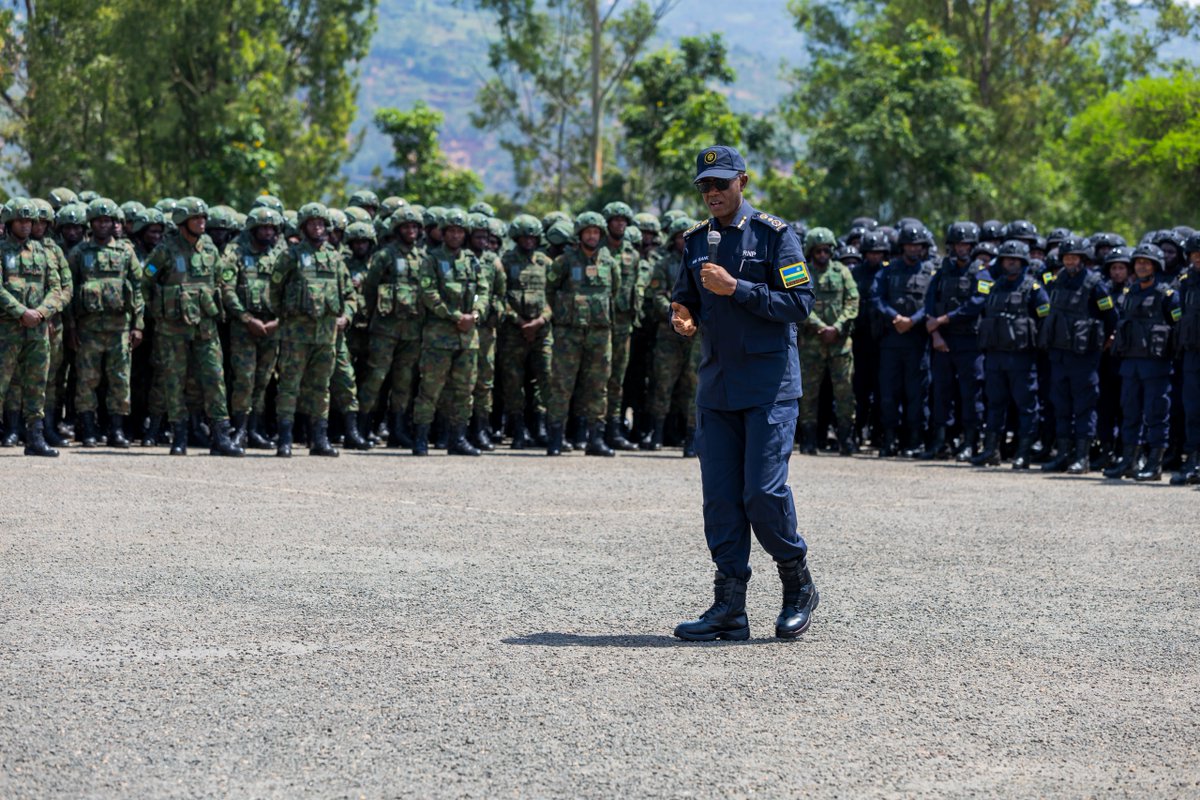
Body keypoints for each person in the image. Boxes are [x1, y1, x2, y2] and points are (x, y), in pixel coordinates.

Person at [670, 145, 818, 641]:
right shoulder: (694, 241)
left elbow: (799, 304)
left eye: (721, 183)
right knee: (721, 500)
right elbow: (684, 295)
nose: (712, 192)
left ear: (743, 182)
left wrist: (738, 289)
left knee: (761, 492)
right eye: (704, 186)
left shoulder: (776, 235)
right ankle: (729, 606)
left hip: (768, 388)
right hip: (717, 387)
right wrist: (682, 315)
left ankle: (797, 583)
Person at [142, 196, 242, 457]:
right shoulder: (166, 249)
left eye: (203, 218)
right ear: (182, 222)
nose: (202, 222)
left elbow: (221, 280)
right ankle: (179, 436)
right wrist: (159, 312)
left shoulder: (209, 247)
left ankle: (221, 436)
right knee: (174, 381)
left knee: (214, 379)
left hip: (205, 327)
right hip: (172, 329)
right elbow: (145, 282)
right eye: (196, 218)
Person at [268, 202, 357, 458]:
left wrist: (346, 317)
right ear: (304, 226)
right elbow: (274, 291)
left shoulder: (335, 258)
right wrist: (284, 316)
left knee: (321, 387)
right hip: (296, 335)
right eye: (312, 223)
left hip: (326, 335)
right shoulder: (291, 256)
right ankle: (284, 440)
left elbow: (350, 295)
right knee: (289, 386)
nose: (317, 227)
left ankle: (319, 439)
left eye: (320, 223)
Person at [68, 198, 145, 448]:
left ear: (114, 224)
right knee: (87, 380)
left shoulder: (125, 252)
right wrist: (70, 327)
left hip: (120, 328)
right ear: (91, 223)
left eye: (108, 221)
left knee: (119, 380)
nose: (103, 225)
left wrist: (138, 325)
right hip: (88, 329)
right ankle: (88, 430)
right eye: (99, 221)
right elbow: (68, 291)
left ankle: (117, 431)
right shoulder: (79, 253)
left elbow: (138, 288)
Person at [544, 211, 620, 457]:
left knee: (598, 387)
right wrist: (563, 315)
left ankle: (595, 439)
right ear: (579, 235)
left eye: (596, 232)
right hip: (569, 335)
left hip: (599, 334)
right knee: (561, 386)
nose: (592, 236)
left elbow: (614, 293)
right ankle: (555, 438)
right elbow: (550, 290)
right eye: (587, 232)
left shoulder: (610, 263)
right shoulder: (565, 262)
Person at [971, 240, 1051, 469]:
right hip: (995, 356)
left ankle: (1023, 453)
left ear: (1023, 262)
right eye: (1007, 260)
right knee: (995, 404)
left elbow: (1045, 317)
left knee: (1026, 405)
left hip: (1022, 357)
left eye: (1015, 260)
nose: (1011, 263)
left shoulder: (1033, 289)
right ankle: (991, 450)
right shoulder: (995, 287)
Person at [1105, 244, 1180, 481]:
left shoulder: (1167, 295)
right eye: (1138, 263)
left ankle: (1154, 463)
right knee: (1130, 412)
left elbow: (1177, 327)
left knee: (1156, 413)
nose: (1142, 266)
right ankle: (1129, 461)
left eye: (1147, 263)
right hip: (1130, 364)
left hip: (1156, 364)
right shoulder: (1130, 293)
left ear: (1156, 267)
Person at [923, 222, 989, 461]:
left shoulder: (981, 272)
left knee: (971, 393)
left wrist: (943, 319)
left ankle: (970, 442)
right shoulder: (942, 271)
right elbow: (929, 301)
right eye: (958, 244)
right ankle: (942, 441)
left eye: (966, 245)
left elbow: (977, 303)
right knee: (942, 392)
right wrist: (936, 333)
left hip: (969, 342)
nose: (962, 248)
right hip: (942, 343)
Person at [795, 227, 859, 456]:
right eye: (818, 250)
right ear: (810, 252)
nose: (822, 254)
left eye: (826, 250)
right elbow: (795, 301)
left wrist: (838, 326)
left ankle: (846, 439)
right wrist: (820, 327)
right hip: (812, 344)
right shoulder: (800, 272)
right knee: (808, 394)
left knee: (845, 393)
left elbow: (852, 301)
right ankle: (809, 439)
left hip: (840, 344)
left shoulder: (842, 271)